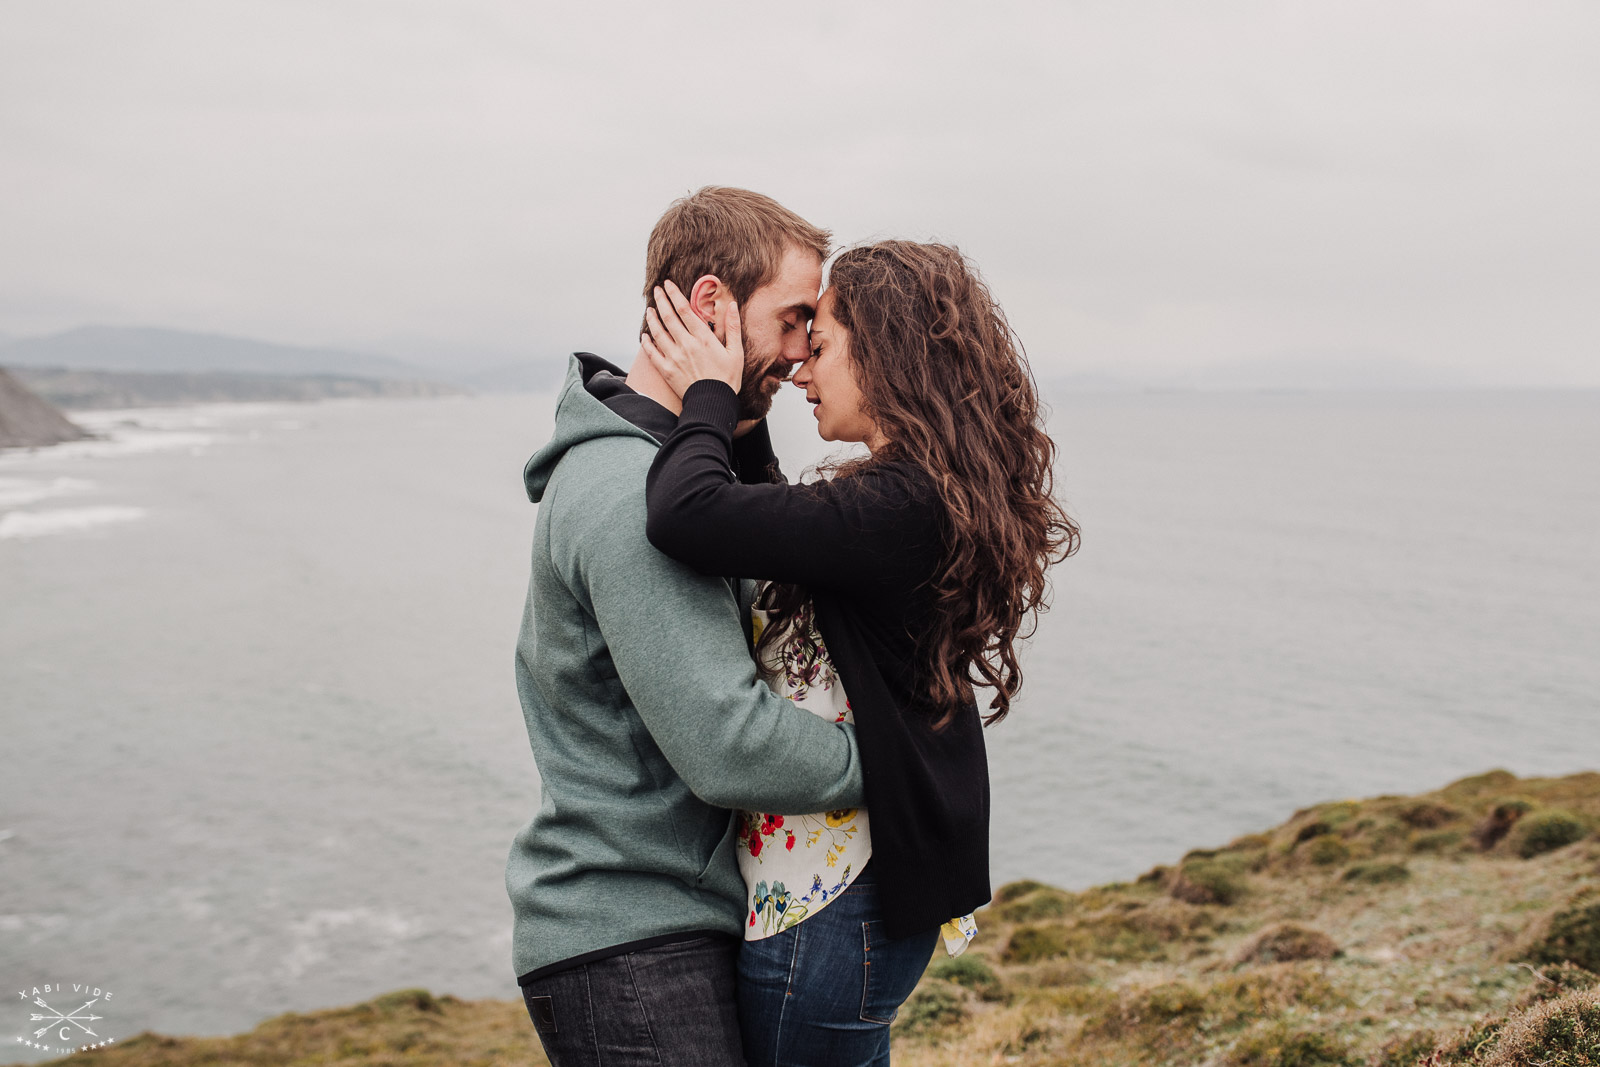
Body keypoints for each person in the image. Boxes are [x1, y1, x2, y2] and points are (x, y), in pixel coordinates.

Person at [639, 240, 1078, 1066]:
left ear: (888, 353)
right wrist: (746, 408)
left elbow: (687, 513)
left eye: (823, 343)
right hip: (843, 898)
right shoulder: (917, 493)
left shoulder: (897, 504)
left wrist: (706, 388)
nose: (800, 364)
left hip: (832, 908)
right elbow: (781, 530)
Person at [505, 187, 869, 1067]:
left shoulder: (671, 476)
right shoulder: (631, 494)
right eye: (790, 320)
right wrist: (902, 764)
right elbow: (729, 745)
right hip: (630, 937)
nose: (800, 352)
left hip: (662, 922)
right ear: (712, 304)